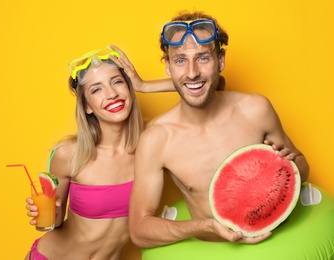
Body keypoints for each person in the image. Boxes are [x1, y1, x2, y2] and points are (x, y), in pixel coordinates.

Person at [129, 10, 310, 248]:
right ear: (168, 66)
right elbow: (139, 230)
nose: (192, 72)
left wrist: (292, 165)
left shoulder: (255, 109)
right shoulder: (157, 139)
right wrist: (204, 226)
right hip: (214, 247)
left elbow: (302, 166)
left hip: (280, 239)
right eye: (180, 60)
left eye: (203, 58)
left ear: (220, 61)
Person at [24, 45, 175, 259]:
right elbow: (54, 222)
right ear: (87, 107)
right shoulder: (68, 154)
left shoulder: (152, 143)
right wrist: (45, 214)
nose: (112, 94)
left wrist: (145, 85)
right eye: (96, 89)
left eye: (117, 82)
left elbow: (209, 89)